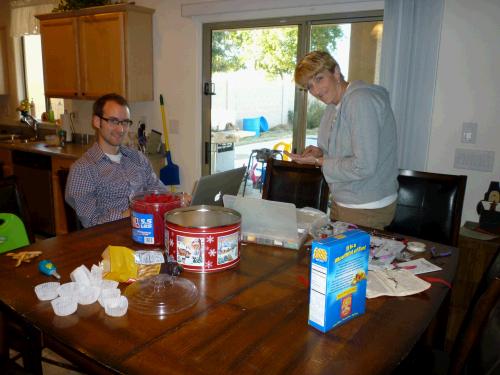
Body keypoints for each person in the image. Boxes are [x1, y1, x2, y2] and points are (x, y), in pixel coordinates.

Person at [287, 51, 398, 230]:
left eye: (319, 79)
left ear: (336, 72)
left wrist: (318, 160)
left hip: (366, 206)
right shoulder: (334, 105)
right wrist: (321, 153)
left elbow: (363, 165)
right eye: (309, 87)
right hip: (344, 201)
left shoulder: (360, 100)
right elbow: (347, 151)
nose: (315, 90)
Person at [66, 93, 165, 228]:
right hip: (111, 239)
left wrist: (178, 200)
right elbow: (92, 222)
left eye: (125, 122)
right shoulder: (83, 169)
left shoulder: (137, 158)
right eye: (113, 121)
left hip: (148, 231)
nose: (121, 129)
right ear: (96, 121)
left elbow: (159, 192)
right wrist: (132, 213)